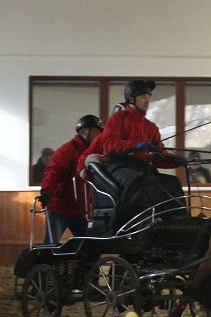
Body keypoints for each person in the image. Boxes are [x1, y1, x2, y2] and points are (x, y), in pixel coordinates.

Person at [77, 80, 186, 228]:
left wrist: (175, 161)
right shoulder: (117, 119)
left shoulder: (151, 127)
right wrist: (135, 146)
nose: (147, 101)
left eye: (148, 97)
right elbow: (109, 145)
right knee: (138, 181)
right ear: (131, 99)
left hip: (142, 167)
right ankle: (124, 223)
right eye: (143, 97)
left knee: (172, 182)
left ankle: (178, 222)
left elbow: (158, 156)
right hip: (118, 165)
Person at [38, 115, 103, 243]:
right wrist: (46, 191)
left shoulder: (94, 152)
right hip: (60, 206)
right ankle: (45, 262)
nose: (98, 136)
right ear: (84, 132)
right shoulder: (67, 150)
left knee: (90, 244)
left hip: (80, 208)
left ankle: (86, 263)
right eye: (96, 132)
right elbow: (53, 172)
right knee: (51, 244)